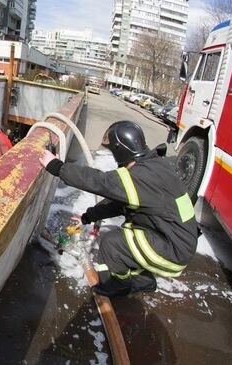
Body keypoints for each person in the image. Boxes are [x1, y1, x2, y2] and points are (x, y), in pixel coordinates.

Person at [38, 120, 198, 297]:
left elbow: (99, 181)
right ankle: (143, 280)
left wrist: (56, 166)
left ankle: (119, 285)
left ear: (119, 150)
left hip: (174, 251)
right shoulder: (155, 166)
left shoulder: (140, 177)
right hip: (177, 240)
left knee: (112, 243)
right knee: (129, 237)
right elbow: (118, 203)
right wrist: (87, 217)